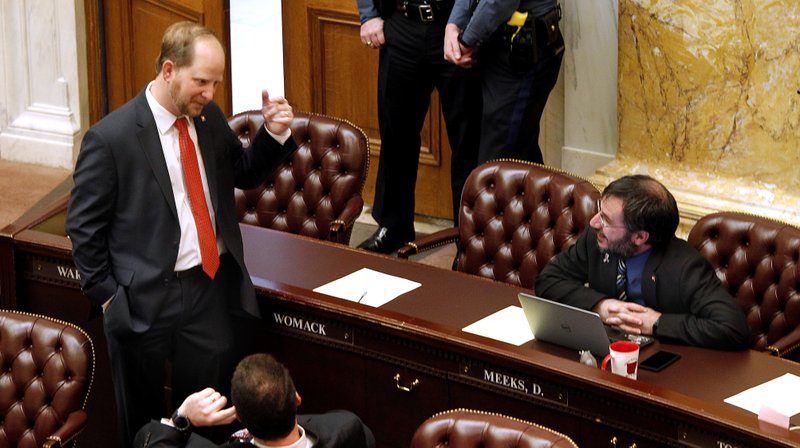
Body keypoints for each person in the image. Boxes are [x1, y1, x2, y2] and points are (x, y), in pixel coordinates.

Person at [66, 21, 298, 446]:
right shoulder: (111, 138)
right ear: (169, 70)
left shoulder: (205, 118)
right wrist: (108, 297)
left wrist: (275, 133)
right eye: (202, 81)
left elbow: (243, 172)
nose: (210, 94)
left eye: (216, 82)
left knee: (208, 416)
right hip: (140, 302)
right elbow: (83, 226)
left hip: (207, 288)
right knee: (144, 422)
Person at [535, 175, 751, 350]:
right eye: (600, 211)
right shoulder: (597, 240)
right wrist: (600, 305)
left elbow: (733, 329)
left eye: (606, 220)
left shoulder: (685, 266)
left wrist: (657, 323)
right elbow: (548, 280)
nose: (594, 223)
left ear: (639, 237)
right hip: (604, 353)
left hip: (662, 369)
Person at [356, 0, 482, 254]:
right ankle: (394, 227)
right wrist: (368, 13)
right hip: (402, 24)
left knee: (468, 140)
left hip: (456, 28)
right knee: (395, 133)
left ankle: (468, 236)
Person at [133, 353, 376, 448]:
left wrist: (182, 417)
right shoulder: (347, 428)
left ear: (239, 418)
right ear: (297, 398)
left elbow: (149, 439)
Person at [444, 0, 564, 164]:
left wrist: (466, 41)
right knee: (520, 159)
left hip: (522, 54)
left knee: (496, 170)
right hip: (496, 48)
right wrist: (455, 24)